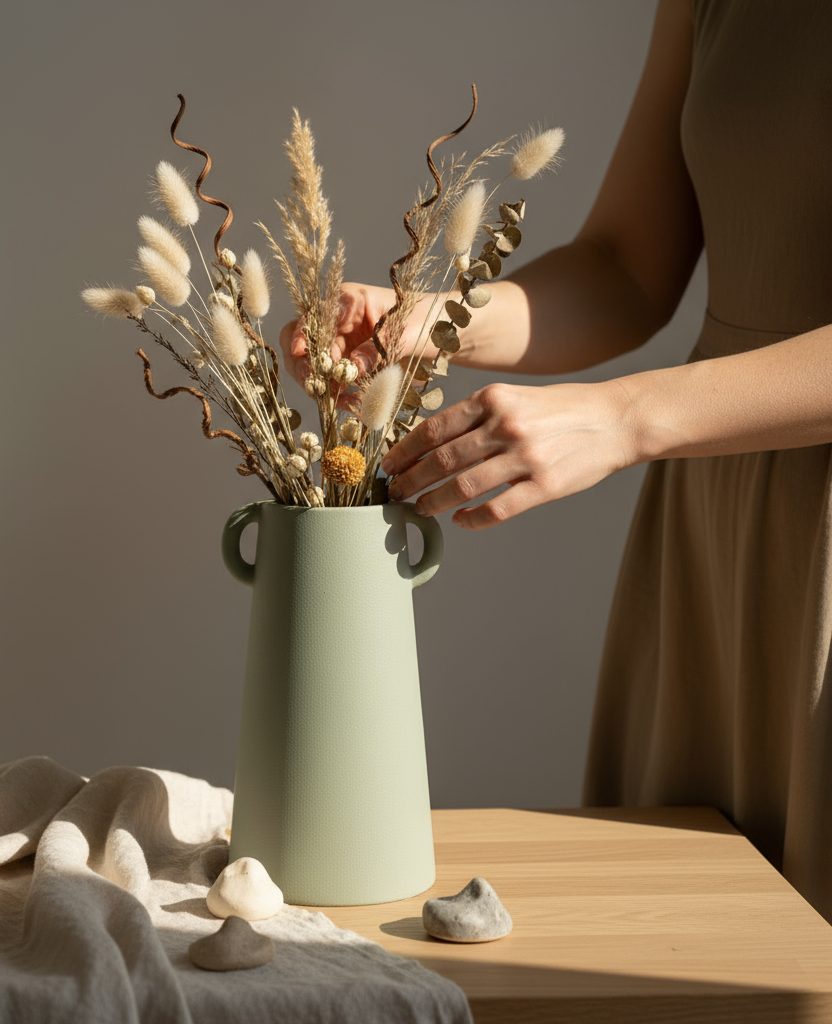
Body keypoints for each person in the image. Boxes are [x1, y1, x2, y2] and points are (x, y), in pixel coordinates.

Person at [281, 0, 832, 924]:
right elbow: (626, 266)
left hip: (770, 504)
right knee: (685, 949)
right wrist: (429, 320)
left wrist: (628, 416)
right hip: (713, 530)